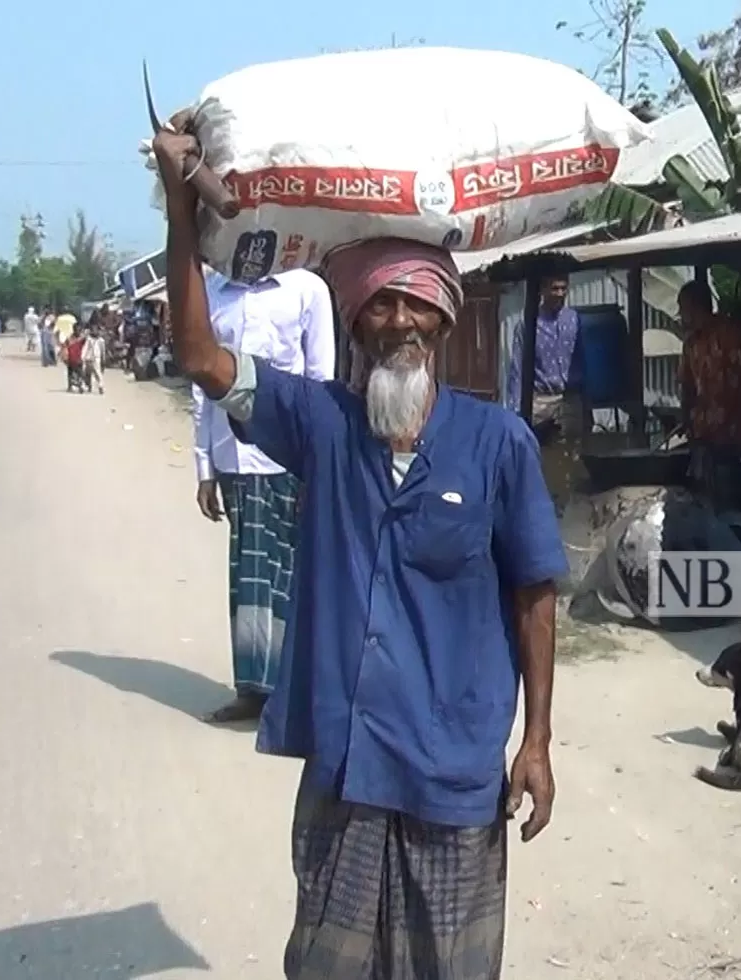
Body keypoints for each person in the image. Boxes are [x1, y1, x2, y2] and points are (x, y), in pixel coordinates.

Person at [152, 122, 566, 980]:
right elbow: (198, 355)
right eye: (382, 301)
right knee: (329, 966)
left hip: (453, 765)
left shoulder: (498, 444)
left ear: (445, 319)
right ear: (355, 319)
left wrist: (537, 742)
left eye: (418, 302)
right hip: (348, 763)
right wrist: (184, 206)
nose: (400, 320)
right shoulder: (322, 424)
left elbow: (534, 593)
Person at [190, 264, 335, 724]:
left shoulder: (306, 288)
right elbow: (203, 383)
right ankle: (252, 689)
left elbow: (320, 379)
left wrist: (318, 463)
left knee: (292, 574)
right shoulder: (214, 290)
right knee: (248, 575)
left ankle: (295, 691)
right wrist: (204, 469)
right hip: (232, 454)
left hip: (288, 454)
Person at [506, 273, 582, 509]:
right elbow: (518, 368)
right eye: (554, 288)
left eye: (563, 288)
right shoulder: (528, 325)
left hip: (569, 397)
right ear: (542, 290)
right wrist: (516, 409)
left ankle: (570, 506)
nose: (559, 294)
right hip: (540, 399)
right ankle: (544, 506)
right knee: (542, 457)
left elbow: (584, 359)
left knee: (573, 456)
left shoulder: (575, 321)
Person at [676, 280, 741, 512]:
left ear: (696, 307)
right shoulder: (690, 343)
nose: (681, 314)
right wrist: (684, 417)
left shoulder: (730, 335)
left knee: (729, 507)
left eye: (683, 307)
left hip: (730, 438)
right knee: (704, 504)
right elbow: (686, 385)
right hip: (702, 438)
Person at [82, 323, 106, 395]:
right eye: (93, 330)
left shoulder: (101, 341)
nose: (94, 331)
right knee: (86, 373)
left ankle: (101, 386)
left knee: (98, 373)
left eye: (96, 330)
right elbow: (85, 348)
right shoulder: (89, 339)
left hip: (96, 358)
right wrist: (83, 357)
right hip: (88, 358)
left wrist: (103, 359)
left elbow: (103, 351)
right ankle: (86, 386)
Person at [62, 325, 87, 392]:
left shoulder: (82, 339)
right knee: (70, 373)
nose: (78, 331)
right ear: (74, 330)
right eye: (77, 330)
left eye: (79, 330)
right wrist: (65, 357)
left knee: (80, 373)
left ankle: (79, 385)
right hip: (71, 358)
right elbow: (64, 347)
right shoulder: (69, 338)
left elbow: (87, 345)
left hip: (79, 358)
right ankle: (70, 386)